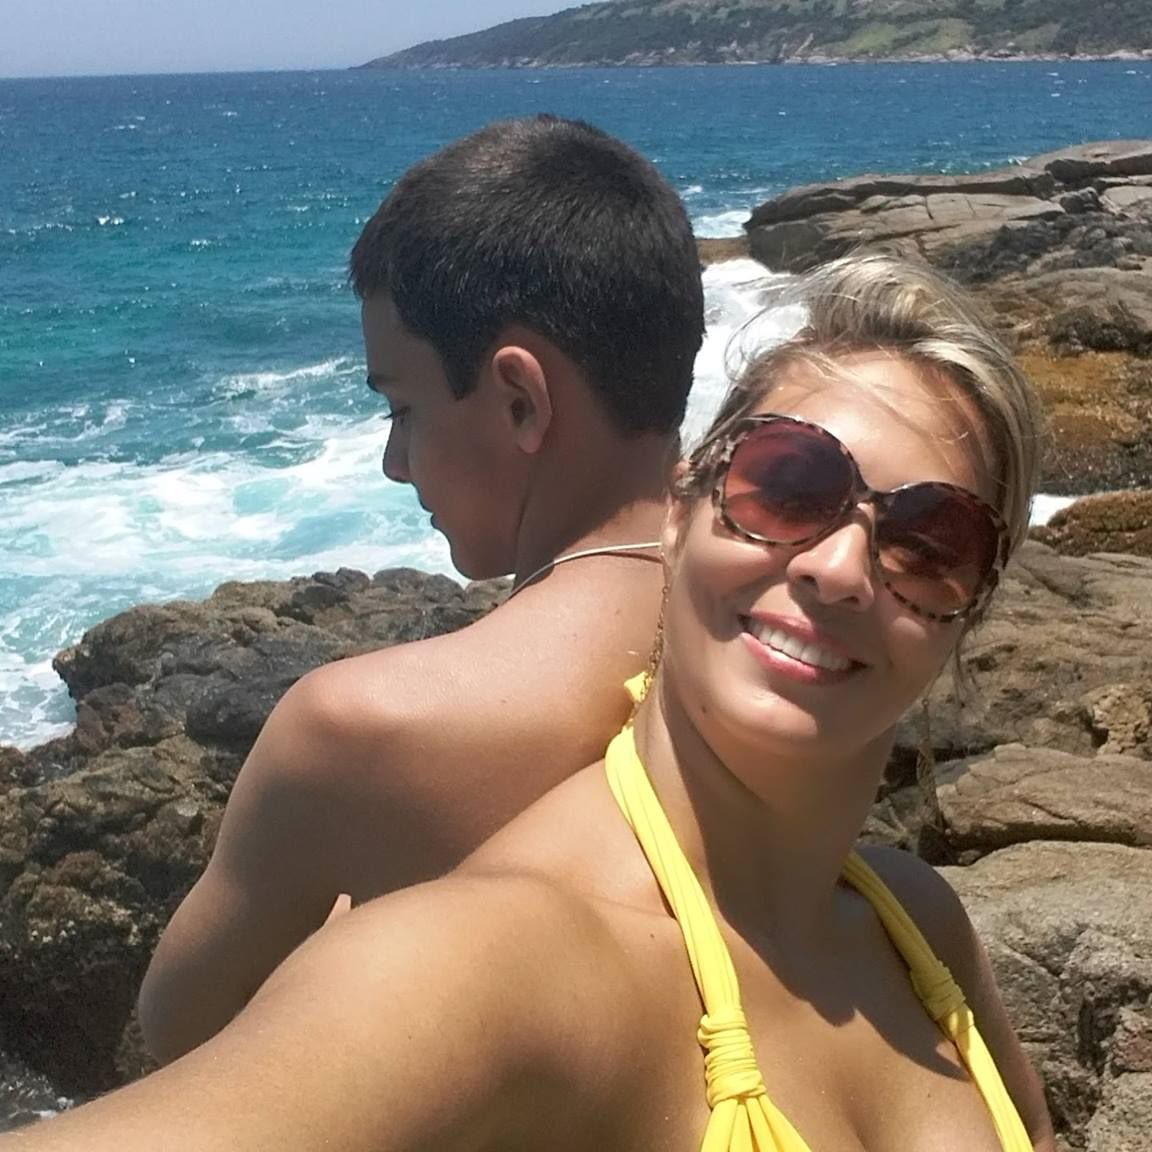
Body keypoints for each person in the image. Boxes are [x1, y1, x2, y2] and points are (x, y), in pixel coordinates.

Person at [13, 253, 1057, 1152]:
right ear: (683, 506)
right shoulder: (491, 962)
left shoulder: (917, 924)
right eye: (788, 485)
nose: (838, 568)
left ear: (970, 611)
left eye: (931, 540)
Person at [135, 114, 705, 1062]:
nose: (394, 462)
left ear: (520, 400)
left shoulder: (360, 734)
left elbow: (181, 1027)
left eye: (401, 407)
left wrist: (346, 952)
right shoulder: (802, 642)